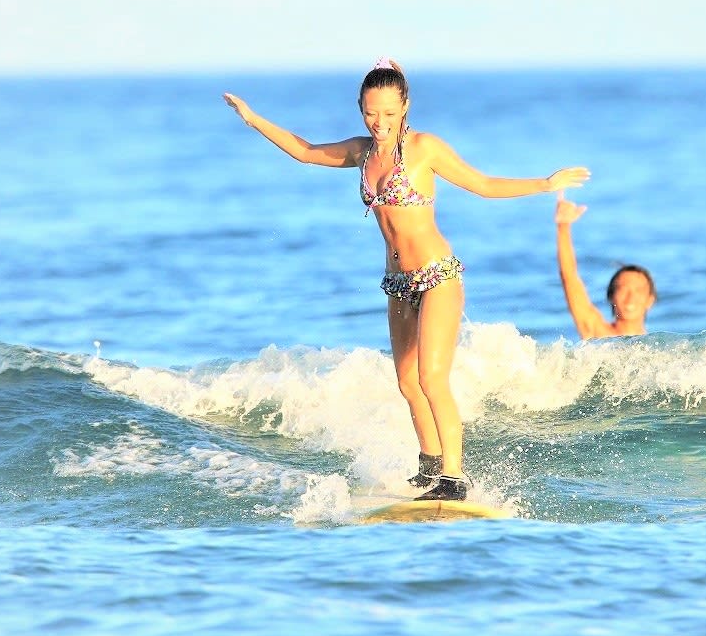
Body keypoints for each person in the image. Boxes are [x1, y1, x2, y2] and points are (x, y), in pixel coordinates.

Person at [224, 58, 590, 501]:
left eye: (389, 114)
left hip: (437, 277)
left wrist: (546, 183)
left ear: (405, 107)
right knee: (406, 381)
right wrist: (252, 118)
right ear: (360, 107)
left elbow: (483, 184)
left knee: (432, 379)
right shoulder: (361, 153)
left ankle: (454, 477)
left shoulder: (423, 149)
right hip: (398, 283)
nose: (379, 123)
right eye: (371, 113)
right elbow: (305, 151)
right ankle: (430, 464)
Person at [554, 191, 657, 339]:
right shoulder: (598, 335)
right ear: (611, 297)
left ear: (650, 300)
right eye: (622, 289)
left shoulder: (660, 349)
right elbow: (569, 278)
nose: (630, 297)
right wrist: (563, 227)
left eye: (639, 290)